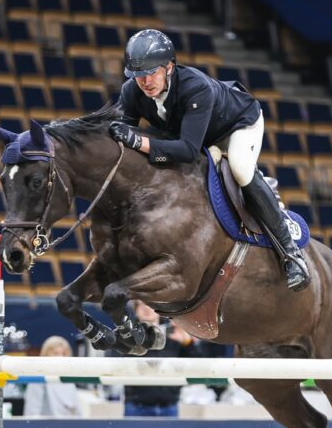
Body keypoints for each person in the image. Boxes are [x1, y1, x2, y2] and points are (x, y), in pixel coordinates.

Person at [109, 28, 310, 291]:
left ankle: (291, 254)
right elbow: (123, 138)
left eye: (150, 73)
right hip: (196, 135)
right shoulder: (132, 92)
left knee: (239, 166)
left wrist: (140, 141)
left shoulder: (195, 87)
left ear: (169, 67)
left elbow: (187, 150)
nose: (145, 82)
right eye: (138, 76)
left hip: (236, 125)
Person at [122, 302, 196, 417]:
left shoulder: (175, 333)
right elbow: (118, 361)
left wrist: (187, 343)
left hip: (169, 405)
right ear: (136, 310)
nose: (147, 309)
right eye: (142, 305)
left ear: (159, 310)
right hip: (136, 405)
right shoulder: (127, 335)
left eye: (150, 305)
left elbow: (196, 364)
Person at [22, 336, 81, 417]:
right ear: (46, 354)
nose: (61, 357)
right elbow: (32, 413)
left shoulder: (68, 380)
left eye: (64, 354)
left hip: (67, 427)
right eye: (56, 353)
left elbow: (76, 412)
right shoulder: (38, 379)